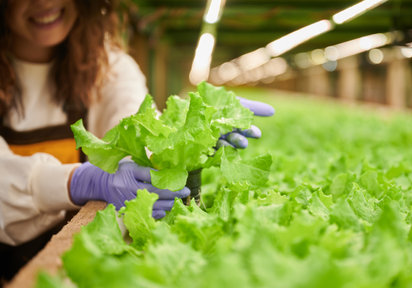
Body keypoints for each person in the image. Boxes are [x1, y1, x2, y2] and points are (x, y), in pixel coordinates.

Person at [0, 0, 274, 281]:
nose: (44, 2)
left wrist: (188, 136)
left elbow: (135, 123)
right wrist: (78, 181)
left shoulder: (109, 65)